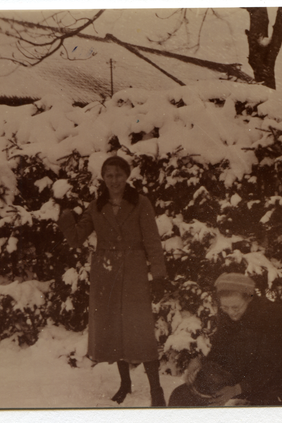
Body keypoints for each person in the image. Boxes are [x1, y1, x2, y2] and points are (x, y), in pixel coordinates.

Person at [57, 155, 167, 407]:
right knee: (114, 329)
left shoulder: (141, 203)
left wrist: (158, 273)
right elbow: (76, 238)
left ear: (127, 176)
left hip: (134, 273)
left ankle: (156, 389)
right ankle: (125, 384)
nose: (114, 180)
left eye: (118, 175)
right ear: (103, 178)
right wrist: (64, 216)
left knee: (140, 329)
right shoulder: (97, 206)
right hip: (106, 273)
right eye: (109, 175)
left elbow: (152, 240)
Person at [169, 273, 282, 406]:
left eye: (236, 307)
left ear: (249, 299)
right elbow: (221, 345)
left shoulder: (270, 315)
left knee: (261, 402)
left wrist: (238, 388)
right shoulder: (229, 310)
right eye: (226, 307)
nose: (231, 313)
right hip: (263, 354)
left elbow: (270, 362)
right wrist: (201, 363)